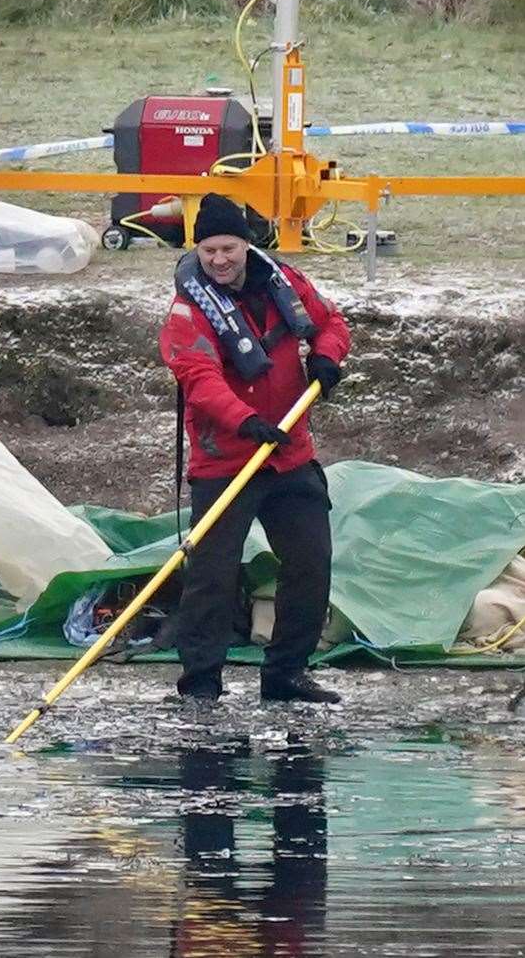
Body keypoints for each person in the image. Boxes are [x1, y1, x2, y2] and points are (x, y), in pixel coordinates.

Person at [158, 193, 350, 703]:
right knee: (212, 577)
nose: (218, 260)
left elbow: (332, 324)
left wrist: (326, 359)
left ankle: (286, 673)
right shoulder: (187, 310)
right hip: (225, 459)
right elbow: (197, 377)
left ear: (247, 245)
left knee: (311, 564)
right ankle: (200, 685)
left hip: (289, 454)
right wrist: (246, 422)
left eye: (228, 248)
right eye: (208, 251)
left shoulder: (286, 283)